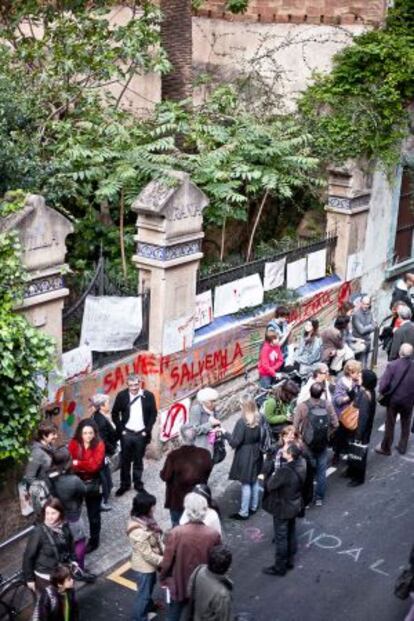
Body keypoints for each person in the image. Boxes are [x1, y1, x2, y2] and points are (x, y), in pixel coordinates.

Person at [160, 492, 221, 621]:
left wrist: (164, 578)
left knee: (173, 614)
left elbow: (167, 561)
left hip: (179, 581)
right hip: (202, 583)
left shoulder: (176, 532)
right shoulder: (213, 534)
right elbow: (217, 560)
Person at [261, 443, 306, 576]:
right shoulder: (302, 464)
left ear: (291, 455)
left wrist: (270, 471)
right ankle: (290, 560)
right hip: (295, 504)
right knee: (291, 532)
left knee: (281, 537)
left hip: (283, 507)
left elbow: (269, 485)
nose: (282, 452)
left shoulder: (284, 471)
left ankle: (280, 567)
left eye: (285, 451)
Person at [111, 374, 158, 496]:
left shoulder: (148, 396)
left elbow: (153, 414)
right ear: (127, 385)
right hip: (127, 433)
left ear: (140, 383)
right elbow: (114, 414)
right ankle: (124, 485)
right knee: (125, 461)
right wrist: (122, 430)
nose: (134, 388)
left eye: (136, 384)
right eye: (131, 385)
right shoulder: (122, 396)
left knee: (138, 461)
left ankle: (138, 483)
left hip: (141, 434)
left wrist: (146, 430)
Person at [294, 382, 338, 506]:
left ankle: (307, 500)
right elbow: (336, 424)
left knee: (308, 472)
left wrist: (300, 440)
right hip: (323, 444)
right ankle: (319, 498)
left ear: (310, 392)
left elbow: (295, 427)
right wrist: (328, 434)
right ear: (322, 393)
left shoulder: (302, 407)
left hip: (307, 445)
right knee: (321, 472)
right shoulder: (327, 405)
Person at [160, 424, 213, 527]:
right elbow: (208, 471)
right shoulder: (205, 454)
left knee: (177, 526)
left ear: (181, 437)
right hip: (198, 497)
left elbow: (165, 476)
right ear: (195, 437)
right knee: (197, 525)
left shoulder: (174, 456)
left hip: (178, 500)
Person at [68, 420, 105, 553]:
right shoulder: (74, 443)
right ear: (80, 433)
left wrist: (77, 463)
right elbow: (69, 462)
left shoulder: (99, 444)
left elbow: (94, 466)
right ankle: (74, 539)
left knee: (93, 515)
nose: (88, 436)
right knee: (73, 513)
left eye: (91, 433)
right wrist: (84, 463)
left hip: (93, 483)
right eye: (85, 433)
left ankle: (94, 541)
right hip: (76, 482)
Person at [23, 498, 74, 593]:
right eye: (47, 513)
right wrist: (29, 579)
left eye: (53, 513)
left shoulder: (64, 526)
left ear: (60, 513)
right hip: (46, 576)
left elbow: (70, 545)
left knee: (67, 598)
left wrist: (73, 560)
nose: (49, 517)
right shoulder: (38, 532)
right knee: (53, 604)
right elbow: (28, 556)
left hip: (62, 572)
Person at [224, 395, 263, 521]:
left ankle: (244, 512)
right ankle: (254, 506)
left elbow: (235, 442)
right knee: (255, 479)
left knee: (246, 483)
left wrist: (225, 434)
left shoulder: (242, 422)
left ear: (244, 406)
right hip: (257, 451)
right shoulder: (260, 417)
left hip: (245, 454)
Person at [49, 447, 87, 570]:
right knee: (79, 541)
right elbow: (84, 491)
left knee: (64, 545)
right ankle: (78, 569)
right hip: (73, 516)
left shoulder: (50, 476)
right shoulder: (73, 480)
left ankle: (64, 567)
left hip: (57, 516)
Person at [127, 491, 163, 621]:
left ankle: (148, 608)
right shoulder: (137, 530)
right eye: (152, 506)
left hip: (150, 566)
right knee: (143, 595)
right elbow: (148, 555)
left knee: (146, 591)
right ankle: (138, 618)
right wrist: (166, 560)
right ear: (146, 508)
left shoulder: (145, 520)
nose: (154, 508)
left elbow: (157, 540)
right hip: (144, 568)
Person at [376, 343, 414, 456]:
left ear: (400, 352)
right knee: (406, 423)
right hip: (409, 401)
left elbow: (383, 385)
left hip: (394, 400)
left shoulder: (392, 365)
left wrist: (383, 392)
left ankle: (386, 448)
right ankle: (402, 447)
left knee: (390, 423)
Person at [184, 545, 233, 621]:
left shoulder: (199, 569)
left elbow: (189, 592)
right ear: (227, 568)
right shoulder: (222, 595)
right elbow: (224, 618)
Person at [347, 369, 377, 486]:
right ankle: (351, 471)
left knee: (359, 453)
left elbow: (363, 418)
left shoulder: (365, 396)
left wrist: (358, 435)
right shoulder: (367, 390)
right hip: (360, 430)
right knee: (354, 451)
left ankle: (358, 478)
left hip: (361, 431)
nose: (358, 376)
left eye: (361, 376)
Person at [89, 394, 118, 510]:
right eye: (107, 403)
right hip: (101, 454)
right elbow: (103, 441)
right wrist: (113, 449)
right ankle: (102, 502)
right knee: (103, 478)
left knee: (106, 475)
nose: (108, 405)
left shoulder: (97, 416)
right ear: (101, 406)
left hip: (101, 453)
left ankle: (107, 492)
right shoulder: (99, 421)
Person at [23, 422, 58, 516]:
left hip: (52, 488)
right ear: (44, 436)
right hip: (44, 494)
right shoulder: (36, 452)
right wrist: (44, 489)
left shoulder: (49, 446)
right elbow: (29, 477)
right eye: (53, 434)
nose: (56, 436)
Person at [332, 360, 362, 463]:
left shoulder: (357, 382)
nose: (359, 374)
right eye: (357, 372)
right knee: (340, 436)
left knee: (352, 436)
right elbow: (337, 400)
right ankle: (336, 454)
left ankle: (350, 454)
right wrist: (349, 397)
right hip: (343, 415)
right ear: (350, 372)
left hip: (354, 414)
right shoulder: (341, 383)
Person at [189, 387, 221, 454]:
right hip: (202, 446)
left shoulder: (214, 408)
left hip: (213, 442)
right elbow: (195, 430)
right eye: (213, 401)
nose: (215, 403)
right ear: (205, 402)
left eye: (215, 400)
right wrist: (210, 424)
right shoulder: (196, 410)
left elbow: (217, 423)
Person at [351, 295, 376, 366]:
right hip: (359, 342)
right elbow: (361, 330)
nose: (365, 306)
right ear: (361, 303)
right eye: (364, 303)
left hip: (368, 341)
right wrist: (372, 326)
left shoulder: (370, 312)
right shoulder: (356, 315)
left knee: (365, 362)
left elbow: (375, 324)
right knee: (360, 364)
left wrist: (368, 327)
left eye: (367, 304)